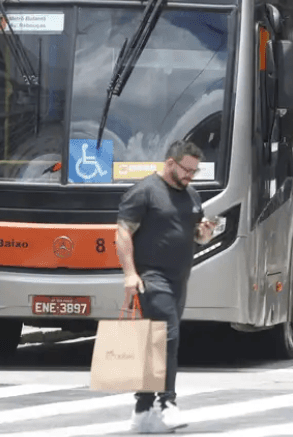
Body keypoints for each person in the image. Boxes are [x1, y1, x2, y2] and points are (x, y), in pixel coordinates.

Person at [115, 140, 215, 434]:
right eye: (187, 170)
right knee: (167, 335)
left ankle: (143, 410)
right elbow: (122, 235)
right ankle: (167, 402)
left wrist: (205, 233)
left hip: (178, 279)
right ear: (170, 163)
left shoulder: (191, 195)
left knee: (153, 343)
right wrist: (130, 274)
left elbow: (196, 235)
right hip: (151, 277)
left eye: (194, 172)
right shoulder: (144, 192)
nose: (190, 176)